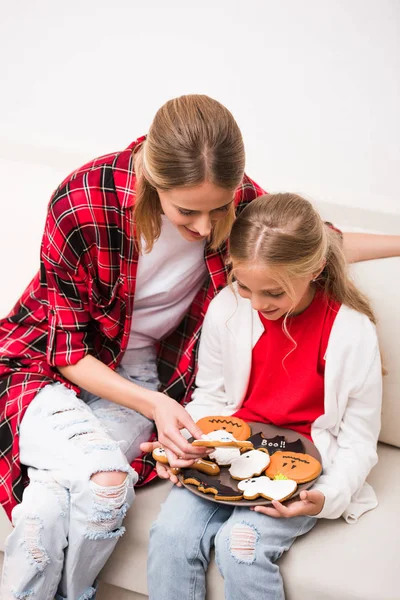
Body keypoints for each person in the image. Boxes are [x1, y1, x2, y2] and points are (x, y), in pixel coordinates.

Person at [0, 94, 396, 599]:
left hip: (141, 381)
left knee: (59, 501)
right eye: (188, 211)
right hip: (41, 367)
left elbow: (316, 242)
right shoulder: (83, 202)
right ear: (152, 180)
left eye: (222, 209)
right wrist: (160, 407)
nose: (208, 229)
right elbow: (67, 350)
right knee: (101, 486)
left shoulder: (244, 209)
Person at [146, 193, 383, 600]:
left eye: (273, 293)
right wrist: (184, 444)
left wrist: (325, 497)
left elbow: (359, 440)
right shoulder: (228, 307)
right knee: (170, 535)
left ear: (316, 269)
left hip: (303, 467)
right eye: (244, 286)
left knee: (241, 545)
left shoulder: (353, 332)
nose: (257, 304)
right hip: (227, 454)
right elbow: (210, 399)